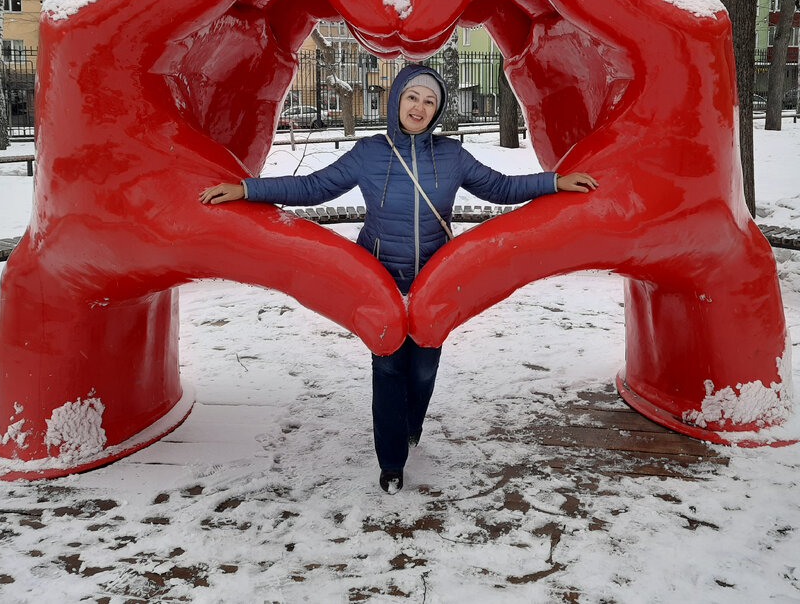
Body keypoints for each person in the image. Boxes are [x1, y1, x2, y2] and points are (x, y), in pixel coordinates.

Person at [200, 63, 597, 494]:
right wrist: (247, 189)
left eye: (430, 101)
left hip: (435, 277)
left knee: (424, 366)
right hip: (380, 276)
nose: (420, 107)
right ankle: (391, 461)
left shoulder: (451, 155)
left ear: (437, 110)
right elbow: (314, 188)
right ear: (397, 100)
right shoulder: (369, 152)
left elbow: (500, 187)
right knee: (388, 366)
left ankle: (411, 426)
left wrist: (555, 182)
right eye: (412, 97)